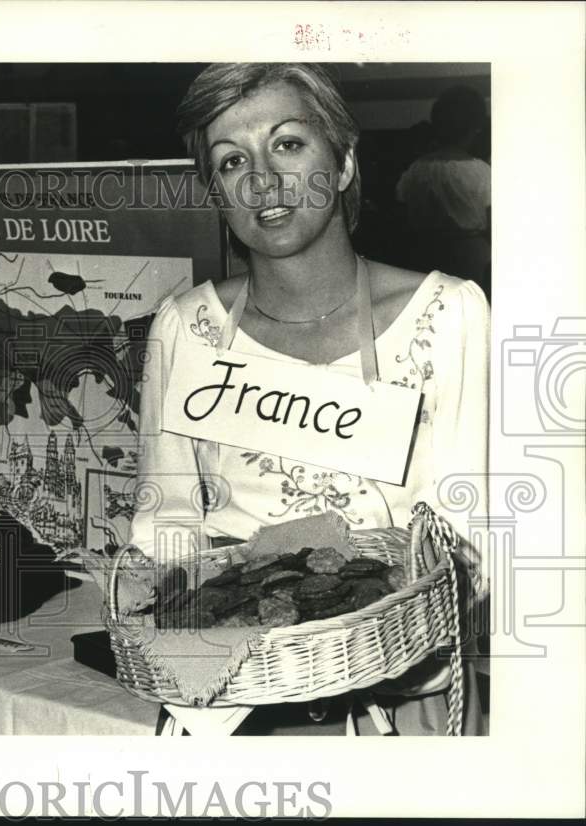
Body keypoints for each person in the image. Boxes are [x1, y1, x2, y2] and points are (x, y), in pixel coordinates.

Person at [128, 63, 489, 735]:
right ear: (215, 191)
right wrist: (194, 635)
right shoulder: (185, 329)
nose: (263, 180)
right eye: (232, 161)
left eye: (289, 145)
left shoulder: (450, 316)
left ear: (345, 162)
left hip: (397, 708)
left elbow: (475, 545)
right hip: (226, 712)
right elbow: (163, 534)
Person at [395, 85, 491, 298]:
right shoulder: (481, 171)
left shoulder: (417, 169)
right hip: (470, 255)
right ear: (475, 128)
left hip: (426, 253)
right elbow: (493, 222)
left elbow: (402, 212)